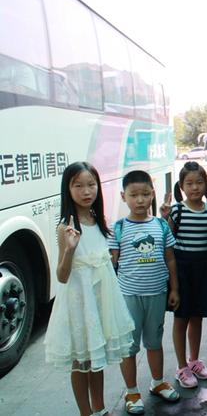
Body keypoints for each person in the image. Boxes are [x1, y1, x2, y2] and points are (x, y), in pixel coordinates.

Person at [44, 162, 134, 416]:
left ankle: (100, 408)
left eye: (91, 185)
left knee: (97, 361)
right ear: (68, 189)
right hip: (77, 303)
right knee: (80, 362)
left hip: (101, 301)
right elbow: (62, 277)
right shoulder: (65, 227)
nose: (87, 191)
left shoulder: (98, 220)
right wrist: (70, 249)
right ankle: (86, 412)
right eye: (79, 185)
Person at [108, 170, 180, 414]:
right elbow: (111, 265)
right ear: (123, 196)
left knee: (154, 342)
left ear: (152, 195)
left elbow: (170, 259)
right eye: (134, 195)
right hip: (128, 297)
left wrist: (175, 289)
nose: (140, 200)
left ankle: (157, 383)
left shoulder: (161, 226)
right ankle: (131, 392)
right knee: (129, 347)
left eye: (145, 194)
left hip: (157, 294)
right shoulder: (117, 229)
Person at [159, 161, 207, 388]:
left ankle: (194, 360)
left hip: (203, 269)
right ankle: (181, 367)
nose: (195, 187)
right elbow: (167, 242)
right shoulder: (177, 211)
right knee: (181, 318)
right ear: (181, 187)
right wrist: (165, 217)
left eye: (199, 182)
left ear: (206, 184)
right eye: (190, 183)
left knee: (197, 317)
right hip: (182, 271)